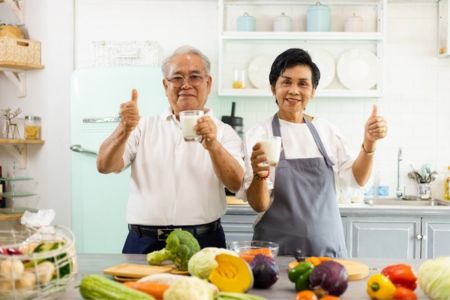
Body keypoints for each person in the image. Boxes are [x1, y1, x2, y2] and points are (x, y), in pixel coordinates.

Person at [239, 48, 387, 257]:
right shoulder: (259, 135)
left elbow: (357, 179)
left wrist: (370, 143)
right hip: (276, 255)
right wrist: (258, 172)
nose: (293, 90)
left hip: (327, 252)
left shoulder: (326, 131)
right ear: (273, 88)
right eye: (286, 82)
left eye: (303, 84)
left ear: (313, 90)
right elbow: (258, 204)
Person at [97, 45, 245, 254]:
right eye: (176, 78)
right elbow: (104, 165)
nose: (186, 85)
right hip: (143, 243)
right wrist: (123, 129)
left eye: (195, 76)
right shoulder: (143, 126)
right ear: (165, 85)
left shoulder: (224, 132)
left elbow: (237, 183)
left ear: (208, 83)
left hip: (204, 243)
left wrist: (213, 145)